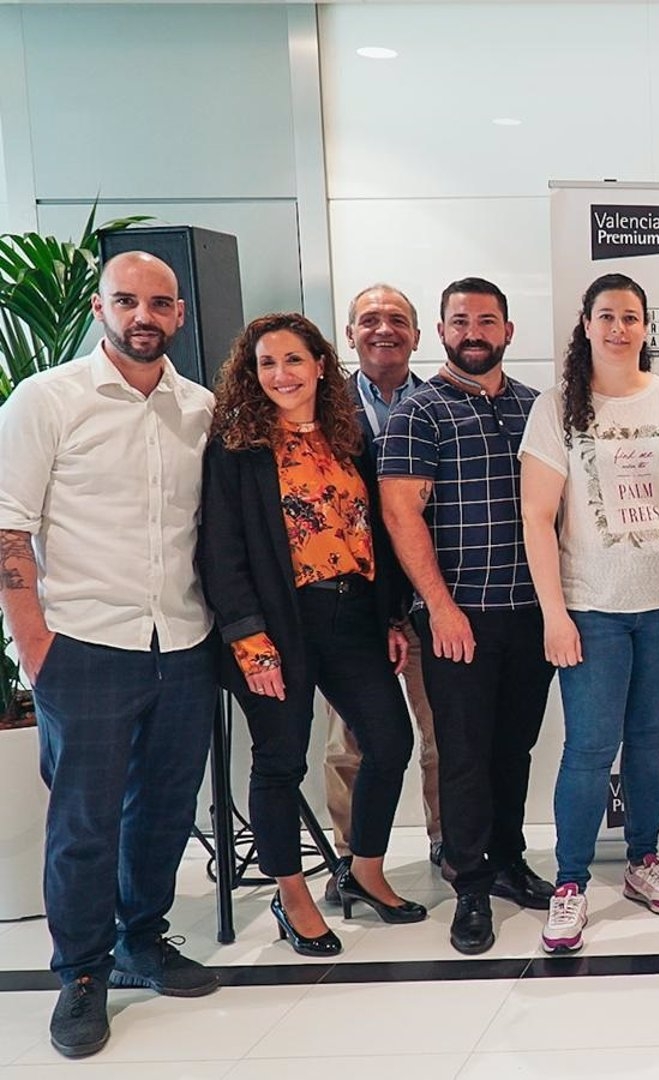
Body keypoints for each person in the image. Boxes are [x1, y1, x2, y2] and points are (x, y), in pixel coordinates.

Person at [0, 252, 221, 1058]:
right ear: (100, 307)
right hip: (84, 645)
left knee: (163, 810)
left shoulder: (197, 409)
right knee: (85, 822)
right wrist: (36, 649)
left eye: (158, 303)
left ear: (179, 316)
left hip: (183, 641)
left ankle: (142, 938)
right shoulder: (47, 400)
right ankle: (82, 973)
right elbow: (7, 527)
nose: (143, 317)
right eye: (127, 301)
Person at [198, 312, 427, 957]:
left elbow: (376, 535)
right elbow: (222, 551)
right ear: (252, 373)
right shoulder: (237, 450)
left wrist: (388, 617)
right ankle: (292, 894)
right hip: (279, 624)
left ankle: (364, 871)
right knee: (280, 761)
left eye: (293, 360)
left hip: (352, 615)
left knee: (388, 741)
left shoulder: (349, 437)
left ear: (321, 365)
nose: (280, 374)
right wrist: (249, 641)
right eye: (266, 364)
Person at [522, 273, 659, 953]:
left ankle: (643, 862)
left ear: (646, 327)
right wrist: (554, 615)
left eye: (632, 316)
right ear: (586, 323)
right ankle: (570, 883)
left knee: (652, 738)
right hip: (591, 607)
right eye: (607, 315)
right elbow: (538, 518)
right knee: (591, 748)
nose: (620, 328)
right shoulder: (557, 409)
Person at [380, 276, 557, 955]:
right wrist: (441, 608)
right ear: (441, 333)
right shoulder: (419, 412)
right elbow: (401, 514)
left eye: (487, 320)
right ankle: (471, 884)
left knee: (515, 749)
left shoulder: (537, 409)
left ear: (509, 332)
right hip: (459, 619)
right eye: (460, 321)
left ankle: (508, 862)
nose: (474, 332)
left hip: (531, 615)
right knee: (463, 758)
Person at [322, 283, 444, 887]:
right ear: (350, 335)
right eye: (369, 319)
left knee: (440, 735)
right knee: (350, 746)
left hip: (427, 600)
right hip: (352, 607)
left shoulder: (442, 404)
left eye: (397, 319)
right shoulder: (319, 409)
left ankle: (447, 844)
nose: (383, 329)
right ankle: (351, 857)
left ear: (418, 336)